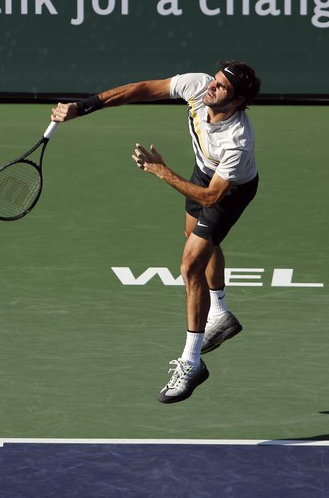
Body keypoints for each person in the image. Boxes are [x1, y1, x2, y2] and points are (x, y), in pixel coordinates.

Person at [51, 60, 261, 404]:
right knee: (195, 238)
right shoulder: (198, 86)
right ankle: (220, 313)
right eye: (216, 80)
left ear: (237, 102)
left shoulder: (237, 141)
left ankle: (192, 363)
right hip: (204, 171)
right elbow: (143, 89)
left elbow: (211, 198)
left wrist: (161, 171)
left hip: (229, 190)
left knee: (191, 265)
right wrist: (83, 107)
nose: (212, 87)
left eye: (222, 87)